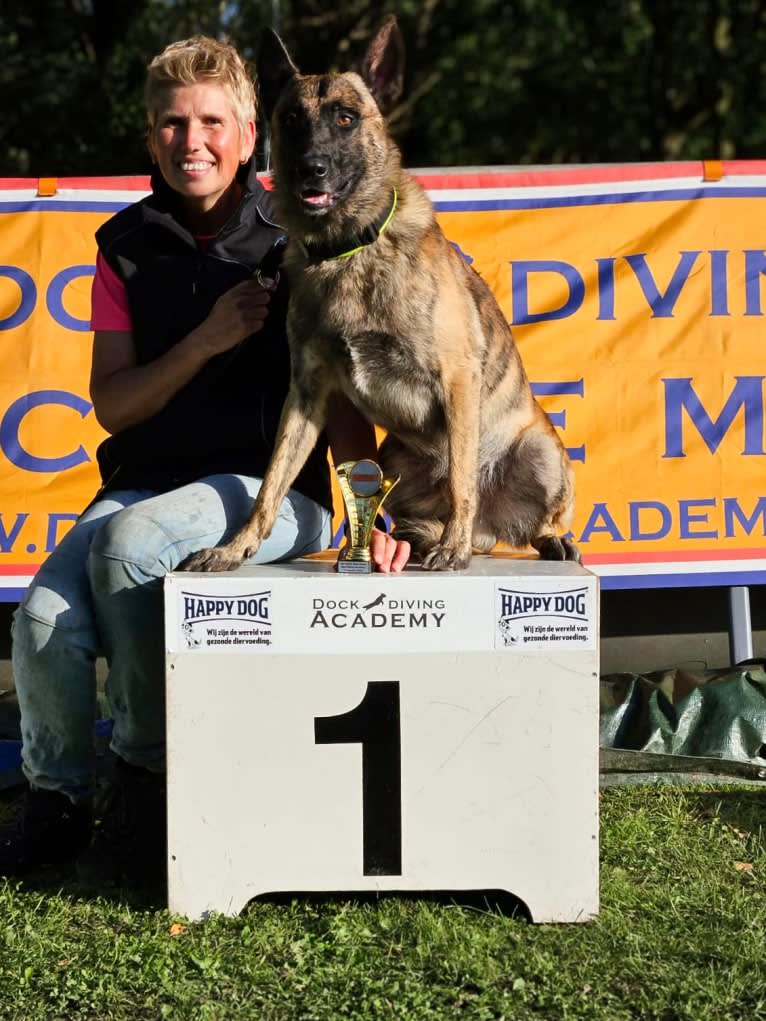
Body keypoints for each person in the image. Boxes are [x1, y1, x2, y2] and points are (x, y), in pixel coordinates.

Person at [0, 35, 409, 885]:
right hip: (144, 485)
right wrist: (209, 338)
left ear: (253, 132)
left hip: (275, 498)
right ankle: (59, 803)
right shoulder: (122, 246)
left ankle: (147, 788)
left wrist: (378, 516)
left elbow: (343, 396)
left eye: (212, 122)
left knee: (129, 547)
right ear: (150, 138)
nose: (193, 141)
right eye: (173, 124)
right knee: (42, 618)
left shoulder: (304, 230)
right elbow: (113, 406)